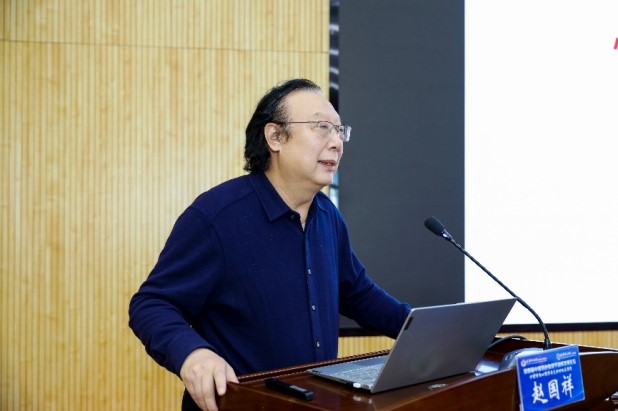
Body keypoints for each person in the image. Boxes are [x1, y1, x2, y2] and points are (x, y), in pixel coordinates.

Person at [128, 78, 411, 411]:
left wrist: (422, 330)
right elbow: (152, 304)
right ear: (275, 137)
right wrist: (193, 353)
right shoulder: (218, 216)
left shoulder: (327, 215)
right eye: (322, 128)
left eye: (339, 130)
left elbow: (358, 294)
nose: (336, 142)